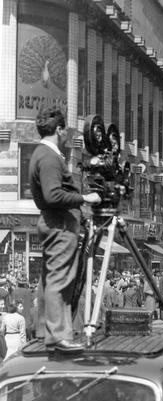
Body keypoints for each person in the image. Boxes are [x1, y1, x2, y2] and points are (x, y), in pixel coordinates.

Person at [29, 106, 101, 352]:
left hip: (55, 222)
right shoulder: (49, 157)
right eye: (65, 129)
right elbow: (53, 195)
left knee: (51, 279)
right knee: (60, 279)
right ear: (59, 129)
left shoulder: (42, 154)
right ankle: (58, 336)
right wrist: (85, 198)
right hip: (59, 223)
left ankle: (48, 332)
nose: (67, 133)